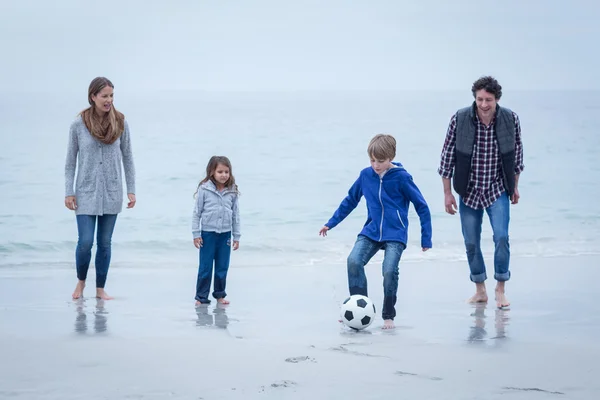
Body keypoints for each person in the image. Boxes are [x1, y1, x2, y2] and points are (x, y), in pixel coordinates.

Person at [319, 134, 432, 329]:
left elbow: (421, 206)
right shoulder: (365, 175)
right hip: (371, 231)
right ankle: (357, 309)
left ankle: (388, 315)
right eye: (372, 160)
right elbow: (350, 200)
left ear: (391, 157)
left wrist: (426, 238)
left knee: (389, 271)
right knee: (353, 261)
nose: (376, 165)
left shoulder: (402, 178)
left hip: (395, 233)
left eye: (380, 161)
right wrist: (331, 223)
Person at [438, 76, 524, 309]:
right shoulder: (460, 119)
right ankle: (480, 290)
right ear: (474, 98)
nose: (484, 104)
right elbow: (447, 158)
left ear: (497, 99)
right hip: (469, 190)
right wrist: (447, 193)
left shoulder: (510, 119)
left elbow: (517, 157)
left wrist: (514, 187)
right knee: (471, 242)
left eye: (489, 100)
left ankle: (500, 288)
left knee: (502, 237)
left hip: (497, 189)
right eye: (480, 99)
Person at [65, 77, 136, 300]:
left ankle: (100, 289)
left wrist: (131, 189)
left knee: (105, 243)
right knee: (85, 242)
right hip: (85, 192)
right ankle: (81, 282)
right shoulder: (78, 125)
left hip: (112, 192)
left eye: (111, 96)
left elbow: (128, 158)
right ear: (93, 97)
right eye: (104, 96)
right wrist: (69, 192)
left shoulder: (121, 122)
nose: (109, 100)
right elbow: (70, 163)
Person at [192, 156, 241, 306]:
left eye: (227, 172)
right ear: (212, 172)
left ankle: (220, 296)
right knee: (205, 267)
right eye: (220, 171)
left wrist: (236, 236)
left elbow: (236, 215)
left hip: (225, 235)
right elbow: (197, 213)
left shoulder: (232, 191)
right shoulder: (204, 189)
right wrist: (196, 234)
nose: (224, 175)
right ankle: (201, 297)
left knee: (222, 267)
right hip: (207, 234)